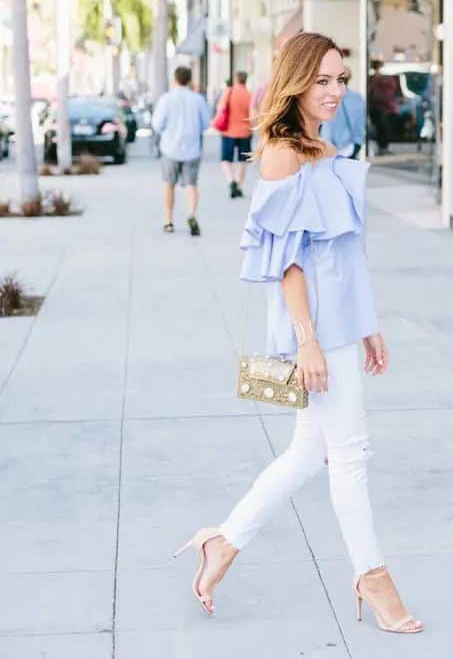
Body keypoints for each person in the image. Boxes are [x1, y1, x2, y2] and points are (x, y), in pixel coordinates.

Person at [173, 32, 423, 635]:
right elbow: (288, 262)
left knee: (309, 451)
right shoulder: (285, 153)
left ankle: (223, 543)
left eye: (340, 79)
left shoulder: (322, 144)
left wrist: (368, 325)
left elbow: (342, 254)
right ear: (296, 81)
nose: (335, 90)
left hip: (341, 322)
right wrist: (308, 338)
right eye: (322, 80)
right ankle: (373, 578)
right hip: (316, 327)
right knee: (351, 453)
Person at [152, 66, 211, 235]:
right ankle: (191, 214)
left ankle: (169, 221)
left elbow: (157, 124)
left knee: (168, 185)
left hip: (170, 149)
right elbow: (206, 124)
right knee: (191, 185)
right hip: (192, 149)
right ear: (189, 80)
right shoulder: (198, 99)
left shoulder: (166, 99)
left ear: (175, 79)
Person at [217, 71, 252, 198]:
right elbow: (253, 112)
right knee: (242, 160)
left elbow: (221, 108)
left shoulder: (229, 91)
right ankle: (238, 185)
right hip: (245, 131)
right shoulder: (248, 94)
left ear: (236, 79)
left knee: (226, 159)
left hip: (229, 131)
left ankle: (231, 181)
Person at [320, 66, 366, 158]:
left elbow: (326, 123)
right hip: (352, 144)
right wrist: (358, 142)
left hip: (330, 144)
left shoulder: (326, 96)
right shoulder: (357, 97)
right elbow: (360, 121)